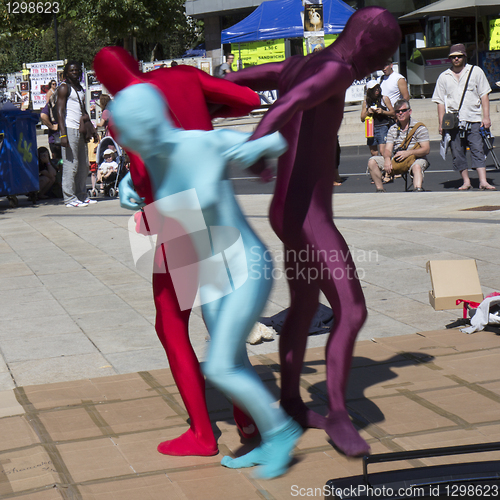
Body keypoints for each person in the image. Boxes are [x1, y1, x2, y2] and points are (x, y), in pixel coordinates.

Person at [225, 6, 401, 458]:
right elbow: (289, 103)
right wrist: (258, 146)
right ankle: (339, 415)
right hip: (309, 217)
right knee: (352, 310)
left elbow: (249, 78)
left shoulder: (303, 61)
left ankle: (289, 400)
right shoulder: (337, 70)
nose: (378, 66)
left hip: (287, 212)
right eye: (381, 56)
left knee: (304, 306)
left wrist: (206, 94)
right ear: (365, 44)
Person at [114, 82, 301, 479]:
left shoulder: (203, 144)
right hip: (214, 270)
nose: (130, 146)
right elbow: (168, 200)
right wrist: (130, 185)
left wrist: (257, 147)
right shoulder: (158, 159)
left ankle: (282, 433)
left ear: (145, 127)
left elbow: (279, 141)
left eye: (129, 136)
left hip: (247, 267)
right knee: (231, 359)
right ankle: (268, 437)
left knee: (217, 367)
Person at [93, 46, 262, 457]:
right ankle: (247, 417)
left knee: (170, 323)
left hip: (174, 213)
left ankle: (203, 434)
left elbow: (147, 177)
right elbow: (250, 99)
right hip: (216, 203)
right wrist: (201, 114)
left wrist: (130, 187)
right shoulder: (183, 76)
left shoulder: (125, 111)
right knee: (219, 311)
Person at [432, 43, 495, 191]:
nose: (456, 59)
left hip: (473, 118)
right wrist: (441, 122)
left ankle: (483, 181)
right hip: (453, 121)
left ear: (464, 56)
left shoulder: (476, 71)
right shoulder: (444, 77)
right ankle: (466, 181)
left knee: (477, 149)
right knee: (457, 151)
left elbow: (484, 95)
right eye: (453, 57)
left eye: (459, 56)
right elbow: (440, 101)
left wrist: (486, 117)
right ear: (450, 59)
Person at [56, 61, 98, 207]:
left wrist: (92, 129)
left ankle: (81, 195)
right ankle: (69, 199)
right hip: (69, 128)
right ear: (66, 73)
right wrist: (62, 134)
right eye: (72, 70)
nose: (75, 72)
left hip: (80, 129)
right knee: (70, 165)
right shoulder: (63, 88)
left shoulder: (79, 88)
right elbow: (59, 112)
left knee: (83, 165)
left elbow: (83, 110)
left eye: (77, 70)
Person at [367, 99, 430, 192]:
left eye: (403, 110)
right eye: (397, 111)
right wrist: (387, 159)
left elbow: (426, 149)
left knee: (417, 166)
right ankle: (380, 190)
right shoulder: (392, 129)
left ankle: (418, 190)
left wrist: (408, 153)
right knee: (372, 161)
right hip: (397, 159)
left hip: (415, 158)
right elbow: (387, 149)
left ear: (410, 111)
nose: (400, 113)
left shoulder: (419, 128)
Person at [361, 80, 394, 157]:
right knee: (374, 153)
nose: (377, 90)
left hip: (383, 126)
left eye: (378, 88)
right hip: (370, 127)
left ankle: (386, 166)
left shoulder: (384, 99)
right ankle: (377, 167)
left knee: (383, 152)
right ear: (369, 90)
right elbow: (362, 118)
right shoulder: (366, 102)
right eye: (374, 89)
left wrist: (383, 112)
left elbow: (393, 113)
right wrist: (368, 112)